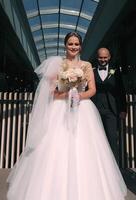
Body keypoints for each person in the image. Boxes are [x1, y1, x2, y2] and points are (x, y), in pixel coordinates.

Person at [7, 32, 127, 200]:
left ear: (81, 46)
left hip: (82, 108)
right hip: (60, 109)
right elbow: (52, 91)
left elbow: (92, 89)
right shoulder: (58, 64)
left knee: (86, 149)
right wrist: (66, 94)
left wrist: (78, 96)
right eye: (70, 44)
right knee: (54, 147)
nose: (73, 47)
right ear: (65, 45)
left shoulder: (86, 65)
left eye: (76, 44)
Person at [91, 48, 127, 163]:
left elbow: (121, 90)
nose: (103, 60)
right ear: (97, 58)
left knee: (112, 139)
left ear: (109, 57)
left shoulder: (115, 71)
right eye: (100, 57)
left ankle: (114, 168)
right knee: (95, 139)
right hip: (94, 110)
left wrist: (123, 109)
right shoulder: (91, 71)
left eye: (105, 57)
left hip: (112, 110)